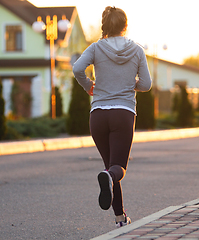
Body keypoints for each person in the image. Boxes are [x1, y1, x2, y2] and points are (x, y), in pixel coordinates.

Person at [72, 6, 152, 228]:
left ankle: (120, 218)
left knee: (110, 168)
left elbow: (78, 68)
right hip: (123, 113)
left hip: (98, 115)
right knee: (118, 168)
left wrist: (89, 86)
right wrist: (128, 84)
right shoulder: (137, 50)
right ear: (125, 26)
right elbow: (146, 84)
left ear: (105, 26)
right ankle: (116, 206)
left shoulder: (96, 48)